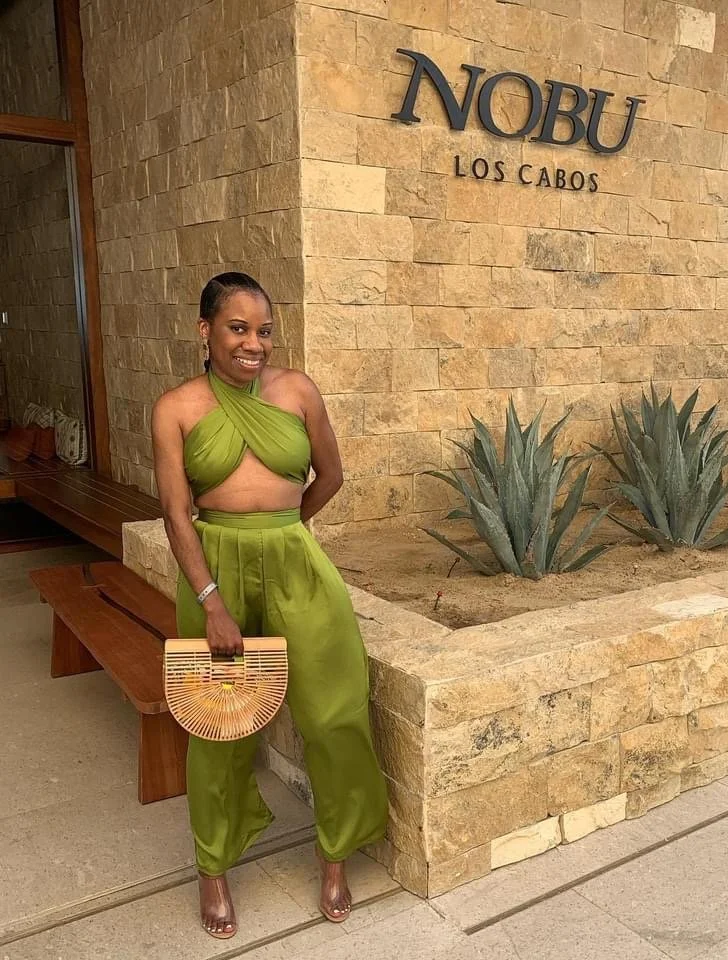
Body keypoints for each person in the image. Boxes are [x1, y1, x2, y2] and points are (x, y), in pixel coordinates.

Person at [151, 272, 388, 939]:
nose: (253, 343)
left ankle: (335, 854)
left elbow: (330, 475)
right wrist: (210, 600)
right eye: (237, 328)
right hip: (213, 568)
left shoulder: (297, 390)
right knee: (217, 727)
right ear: (204, 331)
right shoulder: (176, 407)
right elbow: (174, 512)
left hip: (295, 563)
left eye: (263, 330)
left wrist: (291, 531)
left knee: (334, 713)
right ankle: (213, 870)